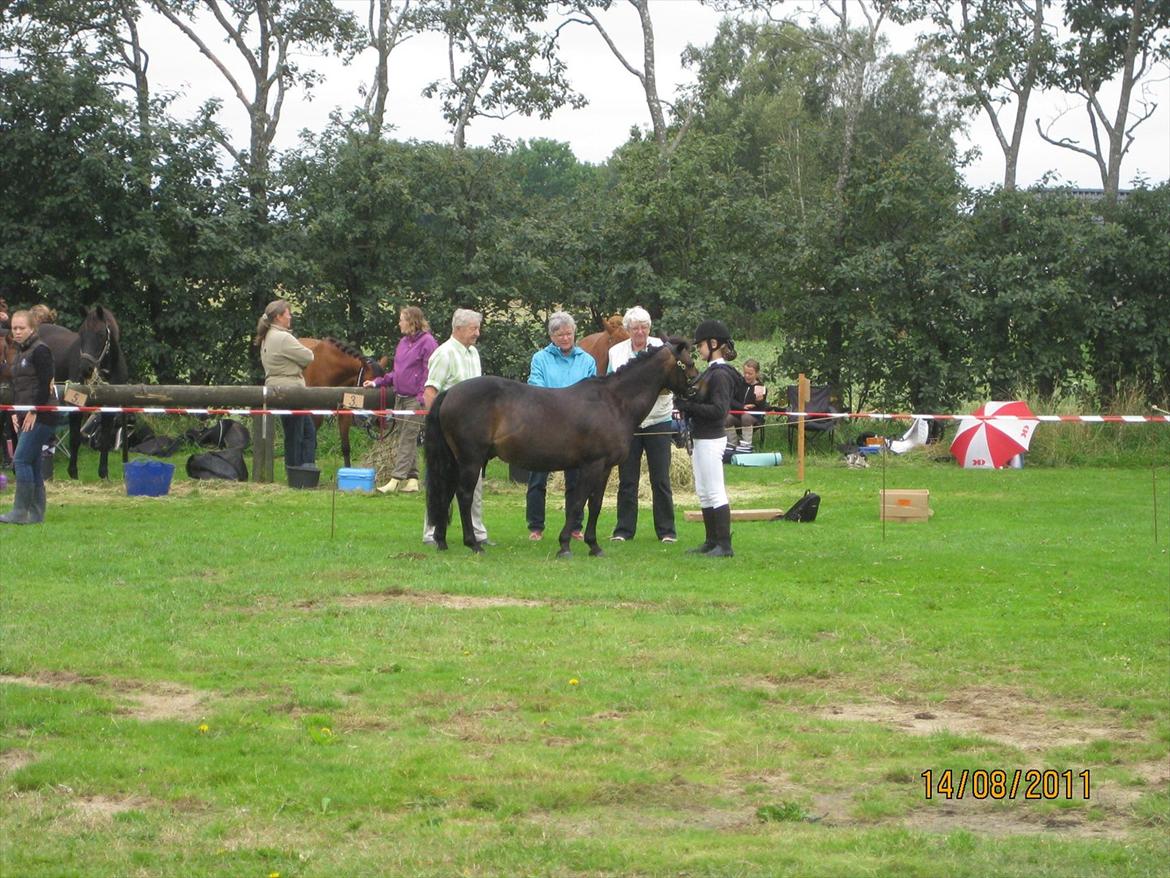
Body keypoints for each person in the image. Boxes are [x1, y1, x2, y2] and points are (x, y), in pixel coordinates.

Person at [422, 308, 494, 547]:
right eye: (473, 328)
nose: (477, 333)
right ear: (459, 328)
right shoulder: (444, 354)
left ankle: (477, 531)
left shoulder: (473, 353)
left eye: (478, 328)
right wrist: (437, 429)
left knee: (474, 482)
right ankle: (432, 531)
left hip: (473, 431)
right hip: (451, 428)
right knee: (441, 478)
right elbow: (430, 391)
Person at [606, 306, 677, 543]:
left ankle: (666, 531)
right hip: (629, 424)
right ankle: (624, 530)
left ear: (649, 328)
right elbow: (611, 385)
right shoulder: (616, 352)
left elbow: (671, 381)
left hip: (659, 420)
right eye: (635, 328)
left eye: (644, 327)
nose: (640, 332)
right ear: (627, 330)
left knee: (661, 478)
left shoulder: (662, 349)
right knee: (627, 479)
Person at [525, 311, 597, 541]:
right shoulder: (540, 358)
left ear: (574, 333)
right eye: (560, 335)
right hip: (545, 426)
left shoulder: (587, 360)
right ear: (551, 336)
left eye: (569, 333)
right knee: (538, 479)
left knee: (576, 481)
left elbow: (592, 393)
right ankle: (536, 527)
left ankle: (574, 527)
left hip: (577, 429)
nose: (565, 338)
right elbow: (535, 388)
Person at [675, 319, 738, 558]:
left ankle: (724, 544)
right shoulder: (710, 372)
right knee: (703, 490)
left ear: (713, 344)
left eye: (701, 345)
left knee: (715, 490)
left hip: (712, 438)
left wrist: (690, 407)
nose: (699, 349)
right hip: (701, 437)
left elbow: (719, 411)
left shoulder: (720, 375)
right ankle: (711, 541)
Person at [365, 306, 438, 494]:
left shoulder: (428, 342)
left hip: (415, 399)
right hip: (400, 397)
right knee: (405, 437)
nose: (399, 323)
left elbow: (429, 371)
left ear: (412, 322)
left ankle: (395, 479)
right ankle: (413, 480)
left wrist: (422, 396)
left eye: (401, 319)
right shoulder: (403, 343)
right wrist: (377, 382)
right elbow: (398, 372)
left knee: (407, 437)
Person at [1, 310, 57, 525]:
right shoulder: (20, 352)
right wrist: (16, 412)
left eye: (21, 328)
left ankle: (20, 511)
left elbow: (44, 385)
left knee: (21, 459)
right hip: (25, 413)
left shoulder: (40, 350)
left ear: (32, 329)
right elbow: (19, 388)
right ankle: (36, 514)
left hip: (42, 415)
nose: (16, 332)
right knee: (32, 463)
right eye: (14, 328)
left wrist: (34, 411)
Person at [255, 299, 316, 471]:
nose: (291, 317)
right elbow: (309, 356)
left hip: (278, 388)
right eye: (288, 314)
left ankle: (302, 470)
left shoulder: (268, 336)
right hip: (291, 390)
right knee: (299, 435)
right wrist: (298, 364)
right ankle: (298, 472)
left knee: (302, 432)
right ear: (279, 317)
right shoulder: (283, 337)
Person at [725, 358, 768, 454]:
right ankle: (732, 445)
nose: (747, 376)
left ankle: (746, 446)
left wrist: (759, 401)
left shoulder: (761, 387)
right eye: (745, 373)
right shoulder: (738, 383)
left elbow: (761, 408)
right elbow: (730, 399)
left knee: (746, 417)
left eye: (750, 374)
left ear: (756, 374)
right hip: (738, 414)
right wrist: (742, 407)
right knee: (727, 418)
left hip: (753, 417)